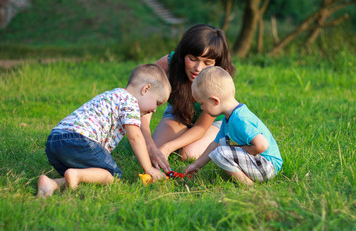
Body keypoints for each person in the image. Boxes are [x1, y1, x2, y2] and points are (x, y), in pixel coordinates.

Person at [37, 64, 171, 197]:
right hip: (80, 139)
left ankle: (51, 184)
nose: (154, 110)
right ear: (146, 89)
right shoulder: (131, 102)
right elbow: (135, 136)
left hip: (54, 142)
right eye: (157, 103)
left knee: (93, 175)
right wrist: (148, 168)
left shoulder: (112, 94)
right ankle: (76, 174)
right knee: (112, 175)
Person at [141, 24, 236, 173]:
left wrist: (169, 146)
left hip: (211, 125)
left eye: (207, 63)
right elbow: (143, 102)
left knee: (188, 154)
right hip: (178, 114)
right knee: (154, 149)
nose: (198, 68)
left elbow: (201, 127)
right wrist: (147, 143)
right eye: (192, 59)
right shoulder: (168, 64)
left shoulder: (219, 78)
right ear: (183, 55)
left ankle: (223, 141)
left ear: (216, 63)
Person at [184, 66, 283, 186]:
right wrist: (196, 165)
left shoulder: (240, 119)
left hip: (267, 165)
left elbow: (261, 145)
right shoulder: (229, 118)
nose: (202, 108)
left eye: (202, 104)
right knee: (220, 147)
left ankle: (248, 185)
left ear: (215, 101)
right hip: (259, 163)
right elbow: (215, 144)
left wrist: (241, 149)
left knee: (220, 153)